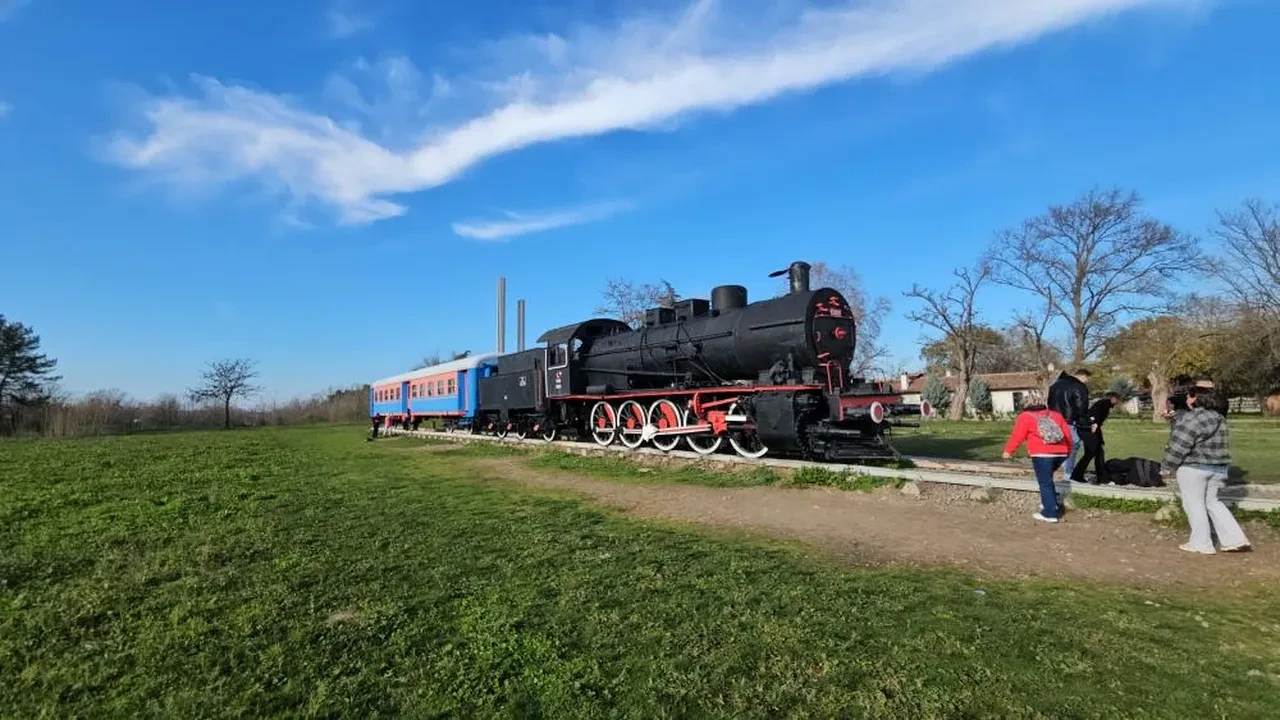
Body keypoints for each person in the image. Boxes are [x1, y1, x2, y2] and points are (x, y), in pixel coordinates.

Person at [1162, 387, 1251, 554]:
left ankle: (1201, 543)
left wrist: (1167, 466)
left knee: (1193, 504)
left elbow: (1180, 444)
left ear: (1195, 398)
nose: (1187, 398)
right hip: (1218, 467)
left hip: (1193, 467)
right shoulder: (1219, 418)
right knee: (1213, 502)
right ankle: (1235, 539)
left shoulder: (1193, 418)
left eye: (1189, 395)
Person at [1003, 403, 1074, 523]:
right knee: (1047, 478)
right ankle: (1050, 503)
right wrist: (1068, 450)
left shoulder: (1025, 416)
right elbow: (1067, 434)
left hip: (1042, 453)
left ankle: (1050, 513)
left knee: (1045, 482)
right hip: (1061, 452)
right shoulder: (1055, 415)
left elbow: (1017, 435)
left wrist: (1008, 451)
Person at [1047, 367, 1091, 478]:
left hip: (1054, 419)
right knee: (1073, 444)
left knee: (1057, 444)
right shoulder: (1079, 386)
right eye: (1087, 379)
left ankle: (1052, 469)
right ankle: (1068, 473)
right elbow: (1081, 406)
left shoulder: (1054, 386)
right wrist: (1086, 422)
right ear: (1083, 376)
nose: (1087, 382)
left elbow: (1049, 402)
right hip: (1070, 420)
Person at [1071, 392, 1120, 484]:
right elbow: (1095, 415)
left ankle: (1078, 475)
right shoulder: (1105, 403)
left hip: (1087, 429)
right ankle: (1101, 478)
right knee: (1095, 453)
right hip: (1088, 430)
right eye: (1117, 399)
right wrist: (1095, 423)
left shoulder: (1103, 404)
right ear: (1113, 398)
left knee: (1093, 453)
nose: (1117, 402)